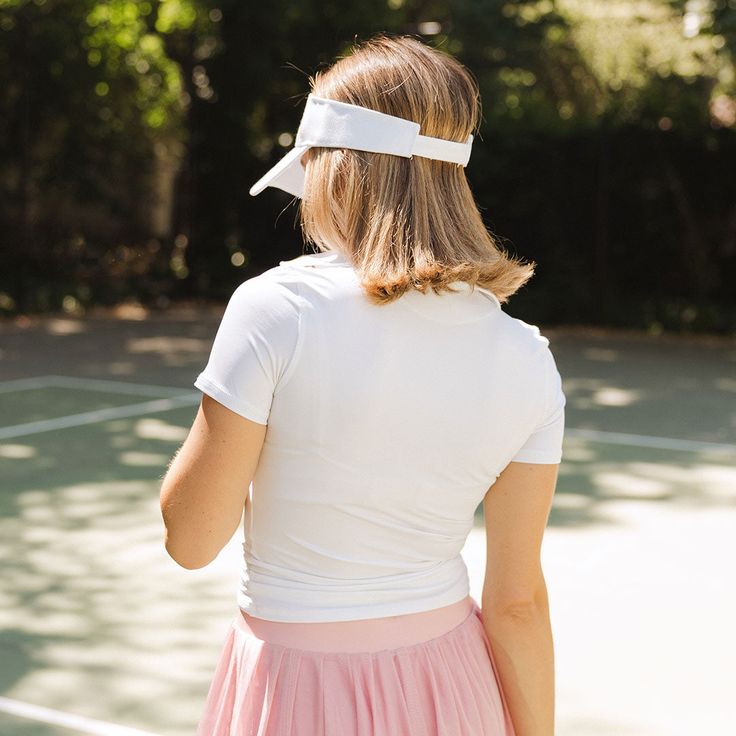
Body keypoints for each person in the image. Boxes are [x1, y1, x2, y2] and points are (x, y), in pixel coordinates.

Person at [159, 34, 565, 736]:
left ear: (333, 169)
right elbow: (518, 602)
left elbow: (190, 539)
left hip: (296, 690)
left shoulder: (275, 309)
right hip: (451, 688)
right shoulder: (525, 354)